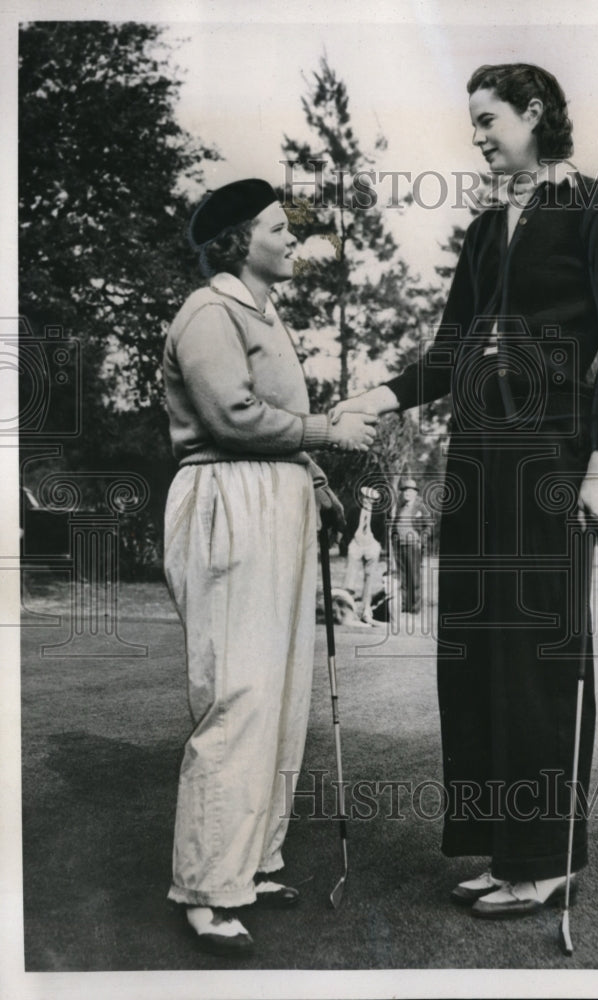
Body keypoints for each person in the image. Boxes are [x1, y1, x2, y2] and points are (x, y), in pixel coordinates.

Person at [331, 64, 598, 917]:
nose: (475, 136)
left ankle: (544, 858)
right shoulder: (481, 230)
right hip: (475, 461)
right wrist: (379, 396)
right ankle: (503, 848)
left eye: (486, 120)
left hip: (551, 458)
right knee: (475, 654)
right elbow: (448, 353)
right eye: (470, 123)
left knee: (538, 656)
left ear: (534, 114)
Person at [162, 179, 376, 954]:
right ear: (237, 240)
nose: (295, 240)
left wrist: (314, 480)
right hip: (227, 497)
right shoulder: (208, 311)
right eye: (281, 228)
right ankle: (206, 887)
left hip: (275, 498)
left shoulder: (263, 313)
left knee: (281, 694)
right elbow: (231, 416)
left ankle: (249, 864)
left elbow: (270, 419)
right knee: (241, 692)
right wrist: (327, 433)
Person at [342, 485, 385, 624]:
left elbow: (383, 530)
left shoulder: (379, 513)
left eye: (370, 499)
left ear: (374, 501)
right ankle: (347, 607)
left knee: (369, 576)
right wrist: (349, 542)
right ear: (361, 498)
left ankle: (366, 609)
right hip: (356, 543)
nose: (367, 500)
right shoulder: (354, 511)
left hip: (371, 544)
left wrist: (378, 544)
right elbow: (347, 528)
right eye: (365, 497)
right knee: (350, 575)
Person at [391, 478, 432, 614]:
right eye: (404, 491)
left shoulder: (421, 507)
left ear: (415, 493)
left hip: (413, 545)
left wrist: (422, 541)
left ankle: (415, 607)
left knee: (414, 577)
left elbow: (428, 526)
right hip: (399, 545)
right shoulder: (400, 507)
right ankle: (404, 605)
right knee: (402, 576)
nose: (407, 493)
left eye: (410, 491)